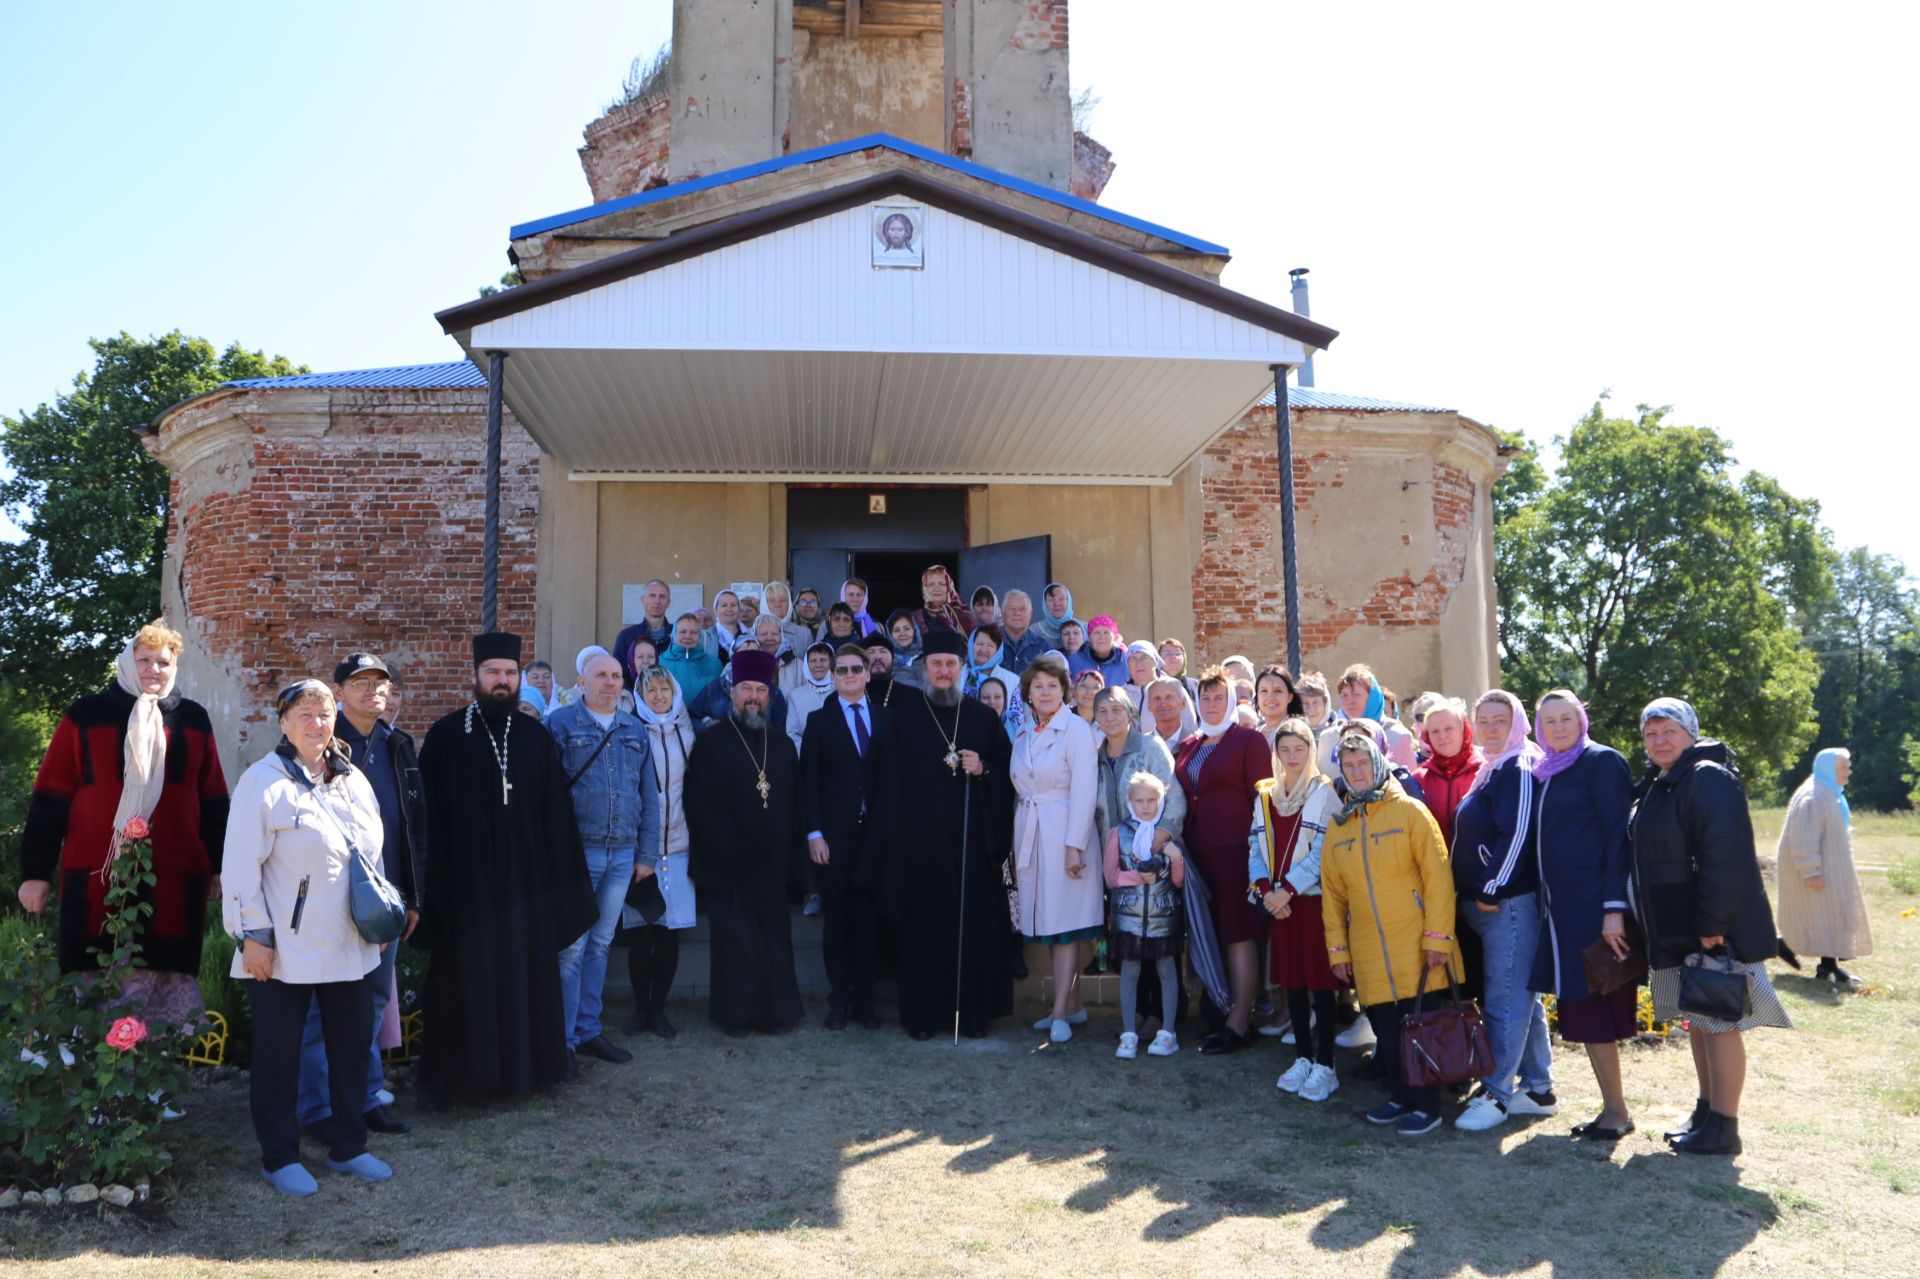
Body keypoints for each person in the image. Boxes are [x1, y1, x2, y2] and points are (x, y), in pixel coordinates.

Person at [18, 621, 230, 1060]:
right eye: (145, 660)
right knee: (98, 972)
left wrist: (218, 867)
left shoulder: (192, 719)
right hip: (97, 874)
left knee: (162, 973)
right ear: (128, 662)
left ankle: (152, 1090)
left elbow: (212, 800)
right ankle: (99, 1091)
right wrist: (35, 873)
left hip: (174, 878)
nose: (154, 669)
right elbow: (50, 797)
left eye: (163, 662)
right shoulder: (87, 714)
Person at [414, 634, 597, 1106]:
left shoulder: (536, 738)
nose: (502, 681)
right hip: (466, 889)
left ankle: (527, 1073)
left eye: (509, 674)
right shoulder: (445, 737)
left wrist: (561, 887)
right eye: (493, 672)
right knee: (462, 980)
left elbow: (557, 817)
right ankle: (458, 1078)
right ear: (475, 677)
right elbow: (427, 821)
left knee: (524, 975)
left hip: (525, 888)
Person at [225, 679, 392, 1195]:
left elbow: (372, 856)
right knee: (280, 1056)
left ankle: (349, 1146)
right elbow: (238, 867)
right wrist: (252, 934)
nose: (315, 723)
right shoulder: (263, 781)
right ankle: (279, 1156)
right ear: (283, 723)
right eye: (303, 714)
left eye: (323, 714)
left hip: (349, 944)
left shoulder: (352, 781)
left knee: (349, 1050)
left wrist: (378, 921)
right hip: (282, 950)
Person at [1631, 697, 1790, 1156]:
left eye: (1669, 732)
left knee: (1720, 1023)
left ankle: (1725, 1125)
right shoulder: (1663, 781)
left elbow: (1727, 857)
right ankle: (1706, 1111)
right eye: (1651, 734)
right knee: (1699, 1020)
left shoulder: (1707, 778)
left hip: (1711, 926)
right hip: (1680, 921)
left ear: (1690, 733)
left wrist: (1712, 924)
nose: (1659, 741)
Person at [295, 654, 424, 1144]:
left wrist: (412, 896)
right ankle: (317, 1108)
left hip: (383, 899)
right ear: (338, 690)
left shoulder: (397, 745)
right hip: (329, 897)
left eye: (381, 683)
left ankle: (365, 1099)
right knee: (320, 1006)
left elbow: (415, 826)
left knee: (371, 999)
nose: (374, 691)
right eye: (361, 682)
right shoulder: (317, 743)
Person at [864, 629, 1015, 1039]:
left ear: (963, 669)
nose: (944, 671)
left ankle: (972, 1016)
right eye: (937, 665)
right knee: (923, 934)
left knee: (973, 928)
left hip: (971, 847)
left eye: (951, 664)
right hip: (920, 849)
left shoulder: (983, 718)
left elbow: (1007, 774)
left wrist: (983, 771)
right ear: (924, 670)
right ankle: (923, 1016)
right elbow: (886, 785)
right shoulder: (902, 720)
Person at [1320, 732, 1462, 1136]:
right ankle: (1400, 1096)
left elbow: (1438, 877)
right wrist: (1338, 952)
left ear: (1377, 764)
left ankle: (1429, 1106)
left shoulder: (1411, 812)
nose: (1356, 771)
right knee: (1386, 1028)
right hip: (1367, 949)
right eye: (1348, 766)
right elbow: (1333, 896)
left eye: (1362, 763)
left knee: (1422, 1027)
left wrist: (1437, 938)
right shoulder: (1339, 825)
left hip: (1417, 944)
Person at [1526, 690, 1638, 1141]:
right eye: (1548, 721)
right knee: (1583, 1009)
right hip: (1562, 911)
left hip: (1594, 909)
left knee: (1595, 1008)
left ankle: (1616, 1111)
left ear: (1581, 719)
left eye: (1565, 718)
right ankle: (1612, 1108)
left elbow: (1617, 837)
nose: (1557, 728)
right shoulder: (1547, 768)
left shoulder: (1600, 761)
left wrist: (1614, 909)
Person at [1448, 689, 1556, 1132]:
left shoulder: (1519, 765)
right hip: (1488, 905)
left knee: (1504, 1003)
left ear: (1516, 724)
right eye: (1484, 720)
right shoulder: (1492, 767)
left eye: (1500, 720)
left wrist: (1493, 884)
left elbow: (1518, 833)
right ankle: (1538, 1088)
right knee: (1520, 1000)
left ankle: (1496, 1094)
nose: (1491, 728)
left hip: (1507, 904)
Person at [547, 651, 661, 1066]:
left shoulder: (634, 728)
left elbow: (649, 795)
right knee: (571, 949)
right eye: (601, 676)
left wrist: (647, 853)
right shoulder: (560, 726)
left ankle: (588, 1030)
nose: (610, 682)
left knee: (600, 944)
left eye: (616, 675)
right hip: (581, 853)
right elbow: (549, 798)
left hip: (622, 854)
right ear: (581, 681)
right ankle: (562, 1041)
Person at [683, 650, 805, 1036]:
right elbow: (701, 803)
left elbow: (794, 805)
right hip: (728, 862)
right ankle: (735, 1014)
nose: (753, 696)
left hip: (771, 863)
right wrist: (731, 848)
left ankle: (775, 1013)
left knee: (774, 937)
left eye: (760, 689)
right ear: (731, 693)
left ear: (770, 695)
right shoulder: (712, 742)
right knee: (734, 940)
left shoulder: (782, 745)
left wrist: (789, 859)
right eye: (746, 689)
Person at [1173, 669, 1273, 1053]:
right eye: (1206, 697)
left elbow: (1262, 799)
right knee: (1212, 931)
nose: (1211, 704)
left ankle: (1240, 1021)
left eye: (1219, 697)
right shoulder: (1189, 744)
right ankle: (1220, 1008)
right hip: (1199, 852)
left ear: (1231, 700)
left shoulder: (1248, 740)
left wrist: (1260, 855)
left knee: (1239, 932)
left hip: (1237, 850)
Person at [1008, 655, 1100, 1042]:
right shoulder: (1024, 734)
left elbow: (1084, 790)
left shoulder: (1076, 729)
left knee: (1064, 926)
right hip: (1032, 833)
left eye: (1052, 686)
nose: (1045, 692)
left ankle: (1060, 1010)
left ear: (1063, 691)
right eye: (1038, 686)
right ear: (1028, 694)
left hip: (1064, 835)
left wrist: (1074, 846)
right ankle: (1073, 1004)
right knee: (1048, 922)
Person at [1248, 718, 1341, 1102]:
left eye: (1299, 749)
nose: (1291, 757)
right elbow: (1255, 846)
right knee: (1294, 984)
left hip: (1312, 901)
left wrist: (1286, 890)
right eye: (1284, 750)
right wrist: (1267, 890)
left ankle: (1326, 1064)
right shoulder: (1266, 794)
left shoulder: (1323, 792)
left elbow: (1324, 851)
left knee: (1321, 985)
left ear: (1311, 751)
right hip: (1281, 906)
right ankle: (1302, 1057)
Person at [801, 643, 887, 1031]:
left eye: (856, 669)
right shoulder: (819, 721)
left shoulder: (887, 720)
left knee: (870, 923)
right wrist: (814, 833)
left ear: (868, 674)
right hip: (834, 840)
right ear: (833, 678)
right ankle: (838, 1003)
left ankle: (866, 1003)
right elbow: (810, 782)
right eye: (843, 670)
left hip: (876, 839)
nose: (850, 675)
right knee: (837, 923)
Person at [1093, 687, 1185, 1035]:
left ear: (1131, 713)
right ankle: (1142, 1013)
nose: (1110, 717)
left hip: (1155, 859)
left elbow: (1173, 798)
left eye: (1117, 710)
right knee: (1132, 936)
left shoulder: (1149, 747)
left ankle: (1163, 1016)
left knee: (1160, 935)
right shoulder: (1098, 756)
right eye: (1103, 712)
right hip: (1118, 858)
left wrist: (1158, 842)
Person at [624, 666, 698, 1039]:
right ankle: (639, 1009)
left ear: (674, 692)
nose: (658, 696)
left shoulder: (688, 732)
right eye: (650, 690)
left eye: (664, 689)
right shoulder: (632, 731)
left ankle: (659, 1009)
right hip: (642, 851)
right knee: (641, 934)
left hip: (680, 845)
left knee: (669, 934)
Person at [1106, 772, 1186, 1060]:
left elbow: (1178, 883)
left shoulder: (1168, 835)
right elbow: (1111, 876)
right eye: (1139, 800)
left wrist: (1177, 860)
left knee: (1167, 972)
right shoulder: (1119, 832)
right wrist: (1136, 877)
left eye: (1152, 800)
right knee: (1130, 973)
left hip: (1163, 919)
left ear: (1161, 800)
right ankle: (1129, 1033)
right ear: (1130, 802)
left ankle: (1167, 1033)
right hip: (1129, 919)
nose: (1146, 806)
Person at [1777, 747, 1872, 988]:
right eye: (1844, 767)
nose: (1848, 771)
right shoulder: (1814, 796)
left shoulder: (1830, 793)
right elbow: (1803, 836)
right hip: (1816, 869)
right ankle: (1787, 947)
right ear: (1829, 768)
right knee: (1823, 915)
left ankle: (1827, 966)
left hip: (1829, 867)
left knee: (1831, 915)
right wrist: (1810, 870)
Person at [1319, 664, 1417, 773]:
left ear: (1373, 698)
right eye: (1344, 695)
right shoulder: (1329, 738)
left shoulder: (1397, 736)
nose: (1350, 701)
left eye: (1356, 694)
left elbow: (1407, 784)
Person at [690, 636, 789, 734]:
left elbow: (780, 729)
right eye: (743, 654)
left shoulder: (772, 691)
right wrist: (708, 727)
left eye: (754, 654)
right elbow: (691, 718)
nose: (749, 659)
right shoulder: (714, 689)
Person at [964, 623, 1028, 737]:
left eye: (990, 645)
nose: (984, 649)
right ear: (971, 645)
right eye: (979, 644)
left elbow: (1017, 722)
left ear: (998, 650)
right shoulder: (959, 675)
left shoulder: (1012, 680)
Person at [611, 579, 675, 684]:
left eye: (662, 596)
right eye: (652, 595)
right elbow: (618, 673)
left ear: (668, 602)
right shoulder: (626, 636)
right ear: (643, 600)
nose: (657, 601)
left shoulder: (678, 636)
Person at [785, 640, 837, 752]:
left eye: (823, 660)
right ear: (806, 664)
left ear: (832, 663)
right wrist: (809, 753)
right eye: (813, 660)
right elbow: (792, 733)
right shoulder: (796, 696)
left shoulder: (841, 691)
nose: (818, 665)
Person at [661, 613, 721, 703]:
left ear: (699, 635)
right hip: (672, 716)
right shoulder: (661, 662)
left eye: (693, 632)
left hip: (705, 716)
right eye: (683, 632)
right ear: (674, 634)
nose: (688, 636)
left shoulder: (714, 664)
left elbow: (719, 697)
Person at [912, 564, 974, 638]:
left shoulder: (962, 615)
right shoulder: (915, 618)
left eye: (941, 584)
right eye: (931, 584)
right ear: (925, 589)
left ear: (949, 587)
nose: (937, 588)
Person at [751, 612, 803, 696]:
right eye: (764, 634)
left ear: (782, 636)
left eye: (775, 634)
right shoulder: (746, 663)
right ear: (755, 637)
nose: (770, 638)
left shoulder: (797, 665)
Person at [1069, 616, 1130, 688]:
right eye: (1097, 632)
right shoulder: (1074, 661)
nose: (1102, 637)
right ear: (1090, 637)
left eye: (1106, 632)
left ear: (1114, 637)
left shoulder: (1125, 663)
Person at [998, 589, 1049, 673]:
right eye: (1012, 608)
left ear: (1031, 613)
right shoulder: (991, 642)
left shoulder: (1042, 647)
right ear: (1002, 612)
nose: (1017, 613)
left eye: (1022, 609)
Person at [1253, 666, 1304, 749]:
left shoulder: (1296, 732)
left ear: (1290, 697)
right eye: (1264, 691)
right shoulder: (1256, 732)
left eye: (1278, 691)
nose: (1270, 698)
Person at [1143, 676, 1198, 745]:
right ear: (1149, 706)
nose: (1163, 704)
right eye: (1157, 698)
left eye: (1169, 697)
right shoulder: (1141, 746)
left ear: (1183, 703)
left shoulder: (1195, 743)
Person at [763, 581, 812, 659]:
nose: (778, 604)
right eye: (772, 601)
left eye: (782, 600)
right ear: (764, 604)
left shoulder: (804, 634)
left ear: (789, 603)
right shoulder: (754, 632)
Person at [1121, 641, 1163, 713]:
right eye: (1133, 659)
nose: (1139, 663)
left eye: (1144, 658)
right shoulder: (1120, 695)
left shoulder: (1172, 689)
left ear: (1155, 662)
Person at [1158, 637, 1201, 705]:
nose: (1173, 657)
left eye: (1177, 654)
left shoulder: (1196, 686)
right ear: (1159, 659)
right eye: (1167, 654)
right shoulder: (1153, 687)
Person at [1034, 582, 1077, 648]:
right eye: (1051, 600)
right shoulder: (1034, 632)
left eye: (1061, 599)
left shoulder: (1083, 629)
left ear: (1069, 602)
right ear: (1044, 604)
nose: (1057, 604)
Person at [704, 590, 746, 659]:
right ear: (716, 609)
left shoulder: (750, 635)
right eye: (724, 605)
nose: (729, 609)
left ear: (739, 609)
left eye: (733, 605)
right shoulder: (705, 637)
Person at [887, 608, 925, 679]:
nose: (902, 634)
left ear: (914, 631)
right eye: (897, 630)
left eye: (907, 629)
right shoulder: (887, 663)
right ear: (890, 634)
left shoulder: (927, 658)